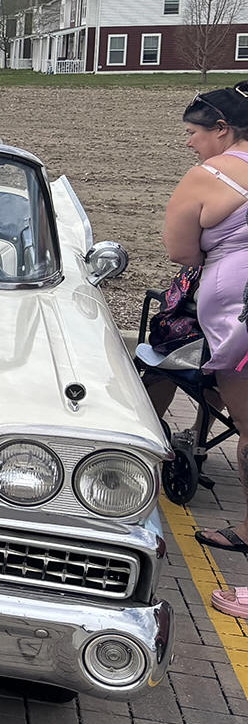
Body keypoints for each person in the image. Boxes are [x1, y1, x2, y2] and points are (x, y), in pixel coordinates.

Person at [160, 86, 248, 607]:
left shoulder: (208, 176)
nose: (189, 142)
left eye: (193, 132)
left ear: (222, 129)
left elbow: (180, 250)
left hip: (238, 314)